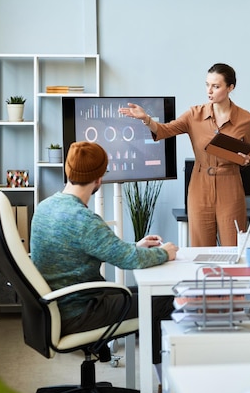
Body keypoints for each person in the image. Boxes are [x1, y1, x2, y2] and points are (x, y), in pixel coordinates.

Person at [30, 141, 178, 367]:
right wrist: (165, 253)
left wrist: (135, 246)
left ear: (68, 170)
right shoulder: (84, 220)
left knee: (150, 292)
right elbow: (129, 260)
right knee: (168, 299)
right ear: (99, 178)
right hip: (81, 312)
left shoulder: (45, 207)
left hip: (56, 308)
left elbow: (105, 249)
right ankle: (161, 382)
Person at [119, 63, 250, 246]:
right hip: (200, 185)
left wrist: (247, 159)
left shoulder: (246, 119)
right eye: (207, 85)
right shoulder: (194, 114)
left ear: (230, 87)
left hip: (230, 184)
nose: (209, 90)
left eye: (216, 86)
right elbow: (165, 130)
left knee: (234, 246)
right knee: (200, 247)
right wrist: (146, 119)